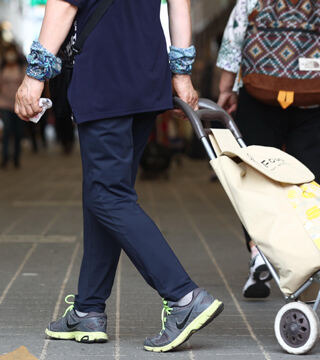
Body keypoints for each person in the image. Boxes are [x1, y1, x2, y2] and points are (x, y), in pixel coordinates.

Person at [14, 0, 222, 352]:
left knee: (107, 195)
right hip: (146, 78)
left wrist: (35, 77)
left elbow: (63, 5)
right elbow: (180, 3)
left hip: (104, 75)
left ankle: (184, 297)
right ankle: (87, 309)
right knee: (105, 193)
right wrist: (182, 73)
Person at [216, 0, 320, 299]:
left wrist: (226, 89)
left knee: (255, 177)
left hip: (259, 92)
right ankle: (307, 263)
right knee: (312, 184)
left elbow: (234, 38)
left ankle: (259, 253)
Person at [0, 44, 26, 169]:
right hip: (4, 104)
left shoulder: (21, 68)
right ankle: (5, 158)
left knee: (18, 132)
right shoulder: (2, 68)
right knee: (7, 131)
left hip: (18, 105)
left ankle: (16, 158)